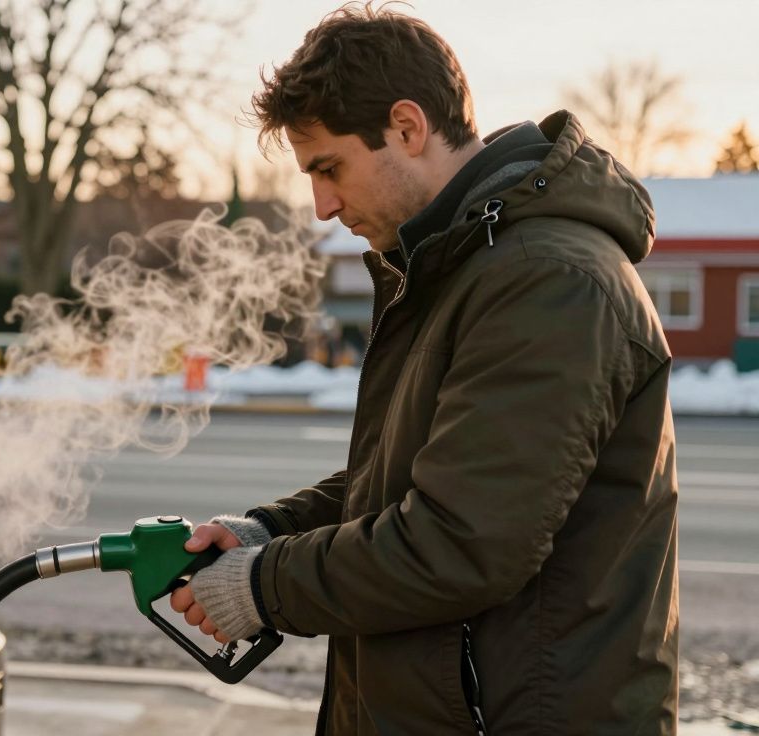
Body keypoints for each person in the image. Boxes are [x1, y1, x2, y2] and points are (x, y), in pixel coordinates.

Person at [171, 4, 678, 734]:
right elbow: (408, 477)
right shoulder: (461, 269)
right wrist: (267, 533)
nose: (321, 207)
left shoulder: (547, 280)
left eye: (329, 168)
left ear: (407, 128)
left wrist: (263, 584)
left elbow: (460, 542)